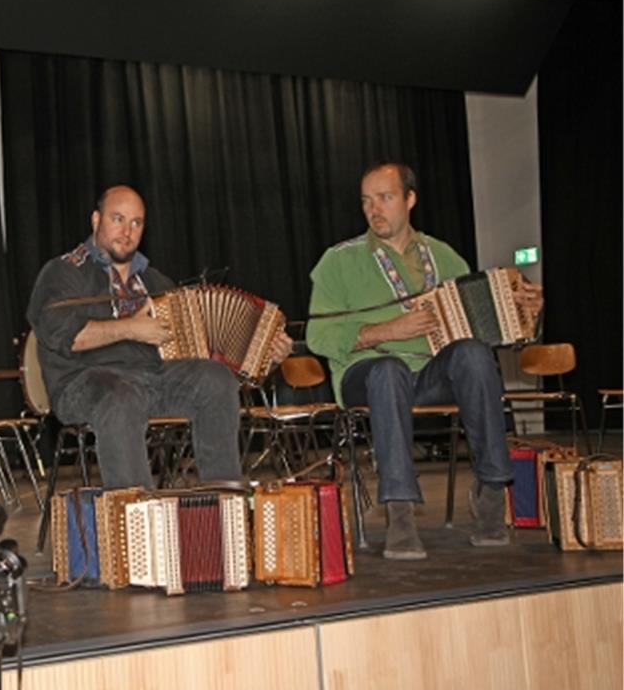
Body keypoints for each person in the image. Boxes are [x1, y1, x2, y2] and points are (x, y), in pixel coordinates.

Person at [306, 162, 543, 560]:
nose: (374, 210)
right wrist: (388, 330)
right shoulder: (338, 260)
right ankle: (399, 512)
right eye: (366, 201)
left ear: (410, 199)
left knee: (473, 353)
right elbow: (317, 336)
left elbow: (482, 329)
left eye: (385, 198)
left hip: (431, 372)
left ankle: (491, 488)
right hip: (367, 372)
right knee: (388, 371)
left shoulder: (446, 258)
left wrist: (524, 315)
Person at [26, 184, 292, 489]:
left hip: (152, 379)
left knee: (214, 379)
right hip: (83, 382)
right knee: (120, 395)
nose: (127, 231)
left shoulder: (156, 282)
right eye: (118, 219)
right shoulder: (62, 272)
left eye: (136, 223)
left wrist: (263, 357)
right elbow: (64, 336)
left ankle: (221, 503)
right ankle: (137, 517)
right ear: (96, 220)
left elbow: (198, 351)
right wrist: (130, 327)